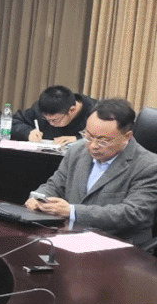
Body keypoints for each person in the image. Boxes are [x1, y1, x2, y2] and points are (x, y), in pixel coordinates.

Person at [25, 98, 157, 245]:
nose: (93, 145)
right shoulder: (77, 151)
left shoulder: (149, 165)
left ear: (127, 137)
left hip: (118, 245)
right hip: (69, 237)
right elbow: (55, 185)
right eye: (88, 136)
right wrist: (38, 198)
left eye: (103, 141)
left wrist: (72, 211)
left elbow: (133, 213)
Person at [11, 85, 95, 145]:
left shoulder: (95, 113)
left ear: (72, 110)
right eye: (46, 119)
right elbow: (12, 122)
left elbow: (101, 140)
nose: (51, 124)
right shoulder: (42, 108)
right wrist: (27, 132)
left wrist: (78, 140)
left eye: (55, 120)